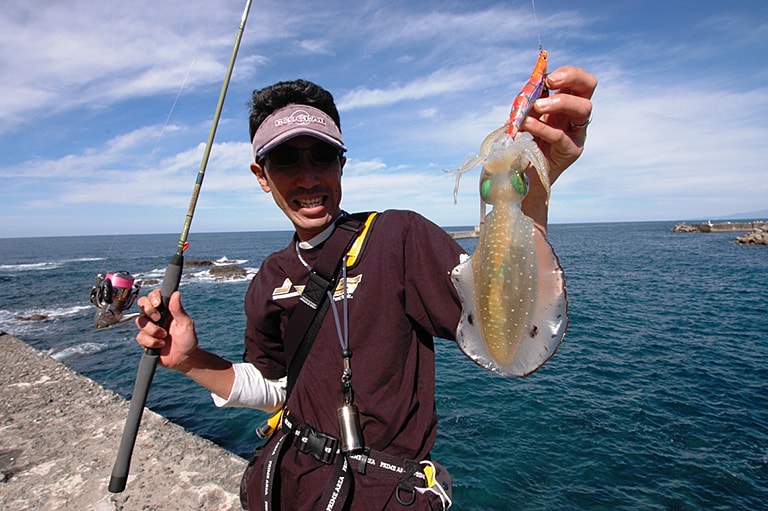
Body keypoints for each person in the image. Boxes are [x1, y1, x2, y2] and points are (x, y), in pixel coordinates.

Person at [136, 68, 597, 510]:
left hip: (385, 496)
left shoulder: (400, 238)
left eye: (321, 155)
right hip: (286, 486)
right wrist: (191, 362)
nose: (308, 175)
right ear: (261, 175)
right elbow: (278, 388)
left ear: (341, 163)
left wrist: (529, 193)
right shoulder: (268, 279)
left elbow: (507, 333)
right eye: (285, 158)